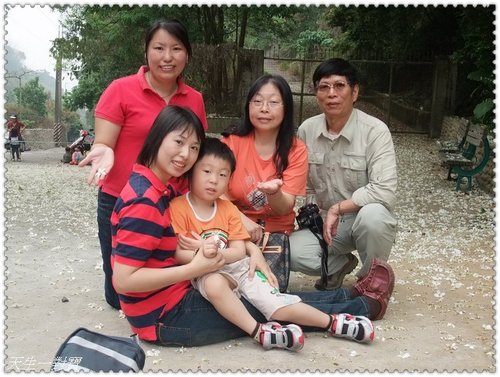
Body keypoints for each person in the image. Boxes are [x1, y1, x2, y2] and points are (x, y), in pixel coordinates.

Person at [111, 105, 395, 349]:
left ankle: (349, 296)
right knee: (266, 309)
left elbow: (210, 221)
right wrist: (194, 269)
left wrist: (249, 249)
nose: (185, 155)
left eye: (194, 147)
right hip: (164, 317)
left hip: (179, 294)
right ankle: (361, 307)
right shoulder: (144, 201)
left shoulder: (161, 186)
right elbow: (123, 281)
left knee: (269, 298)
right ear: (158, 137)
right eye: (179, 142)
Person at [170, 137, 374, 351]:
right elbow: (178, 253)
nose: (214, 180)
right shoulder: (179, 207)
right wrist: (202, 256)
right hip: (204, 272)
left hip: (240, 269)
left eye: (222, 175)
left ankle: (333, 322)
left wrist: (215, 254)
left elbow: (239, 251)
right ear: (191, 171)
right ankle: (260, 332)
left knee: (276, 304)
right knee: (213, 283)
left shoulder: (228, 209)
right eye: (207, 171)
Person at [79, 19, 208, 310]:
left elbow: (194, 151)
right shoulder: (120, 90)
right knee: (118, 297)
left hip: (170, 202)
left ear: (186, 54)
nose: (167, 57)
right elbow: (103, 142)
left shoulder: (195, 99)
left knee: (170, 277)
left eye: (176, 49)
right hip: (122, 200)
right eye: (159, 48)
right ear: (146, 51)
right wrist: (104, 151)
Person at [290, 58, 398, 292]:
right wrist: (314, 214)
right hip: (327, 223)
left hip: (362, 217)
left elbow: (384, 190)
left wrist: (339, 208)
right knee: (291, 252)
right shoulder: (307, 129)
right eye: (324, 87)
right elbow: (306, 185)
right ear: (316, 93)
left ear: (355, 91)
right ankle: (339, 265)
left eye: (340, 86)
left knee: (374, 217)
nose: (332, 94)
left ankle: (372, 281)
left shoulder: (375, 131)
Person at [221, 74, 307, 243]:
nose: (264, 109)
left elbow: (284, 207)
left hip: (276, 233)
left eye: (273, 102)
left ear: (286, 108)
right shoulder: (230, 142)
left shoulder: (296, 149)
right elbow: (213, 192)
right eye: (257, 101)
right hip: (233, 226)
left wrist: (274, 193)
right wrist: (240, 220)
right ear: (248, 106)